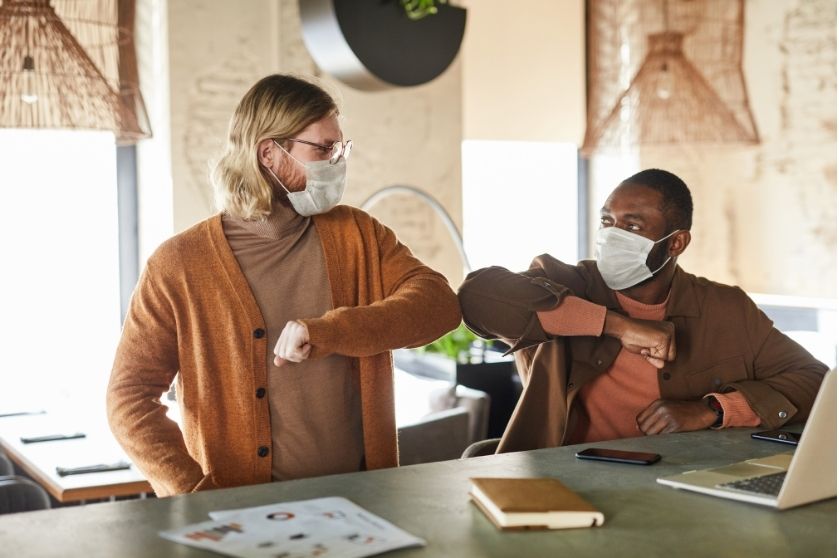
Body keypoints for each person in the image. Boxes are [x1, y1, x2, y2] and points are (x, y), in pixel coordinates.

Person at [107, 74, 461, 496]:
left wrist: (333, 331)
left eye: (341, 147)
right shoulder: (177, 266)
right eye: (324, 148)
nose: (337, 160)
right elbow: (128, 399)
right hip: (238, 523)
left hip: (363, 505)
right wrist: (192, 497)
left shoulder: (357, 234)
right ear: (269, 154)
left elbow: (439, 304)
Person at [458, 168, 827, 453]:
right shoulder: (566, 284)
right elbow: (477, 297)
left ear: (676, 242)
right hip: (568, 481)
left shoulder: (725, 308)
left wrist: (712, 410)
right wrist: (618, 326)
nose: (612, 235)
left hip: (687, 483)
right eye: (607, 221)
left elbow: (816, 381)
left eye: (632, 225)